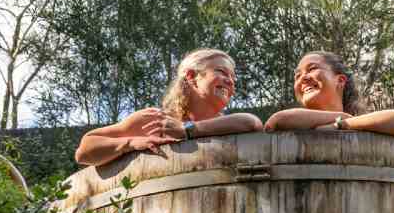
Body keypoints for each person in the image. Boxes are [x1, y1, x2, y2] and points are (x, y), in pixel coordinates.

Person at [74, 49, 263, 166]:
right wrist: (129, 143)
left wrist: (185, 130)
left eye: (233, 78)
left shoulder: (229, 124)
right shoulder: (155, 121)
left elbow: (252, 123)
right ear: (191, 76)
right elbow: (85, 150)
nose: (230, 81)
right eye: (221, 72)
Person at [263, 51, 394, 135]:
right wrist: (340, 117)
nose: (303, 78)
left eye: (312, 69)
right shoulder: (293, 121)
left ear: (340, 80)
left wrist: (342, 124)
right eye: (297, 76)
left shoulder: (355, 124)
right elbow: (279, 120)